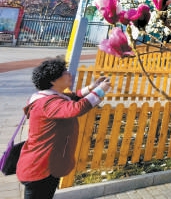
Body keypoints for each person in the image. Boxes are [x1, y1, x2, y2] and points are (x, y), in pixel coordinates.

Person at [17, 57, 111, 199]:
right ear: (53, 81)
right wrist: (100, 91)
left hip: (48, 164)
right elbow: (76, 108)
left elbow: (73, 97)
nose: (69, 74)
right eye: (64, 72)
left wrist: (92, 87)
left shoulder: (50, 97)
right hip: (40, 167)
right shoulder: (47, 103)